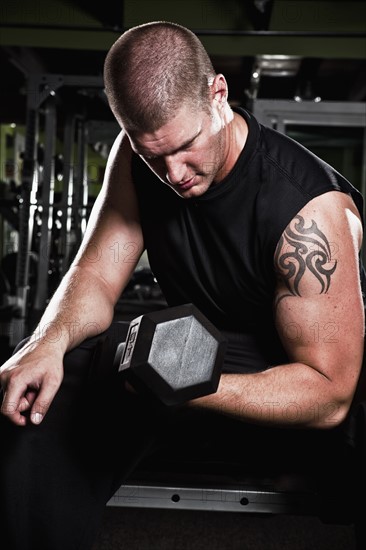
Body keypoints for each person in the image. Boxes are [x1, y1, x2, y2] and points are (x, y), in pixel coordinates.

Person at [0, 20, 365, 550]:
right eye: (154, 157)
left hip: (314, 382)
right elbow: (99, 276)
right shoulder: (137, 159)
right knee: (53, 382)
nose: (173, 174)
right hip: (207, 355)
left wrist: (187, 383)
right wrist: (45, 343)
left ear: (219, 95)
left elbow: (331, 393)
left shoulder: (305, 212)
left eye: (186, 146)